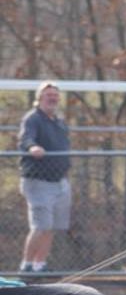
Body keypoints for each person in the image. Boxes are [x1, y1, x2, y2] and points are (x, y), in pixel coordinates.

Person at [17, 81, 71, 273]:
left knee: (52, 227)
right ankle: (27, 265)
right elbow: (26, 139)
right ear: (39, 98)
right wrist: (33, 147)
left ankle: (40, 265)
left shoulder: (59, 121)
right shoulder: (32, 119)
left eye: (55, 95)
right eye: (48, 95)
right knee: (41, 226)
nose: (52, 98)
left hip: (59, 181)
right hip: (38, 181)